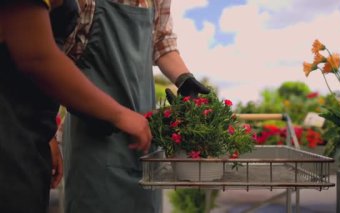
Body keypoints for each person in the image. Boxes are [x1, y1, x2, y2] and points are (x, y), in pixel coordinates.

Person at [0, 1, 152, 212]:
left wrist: (48, 131)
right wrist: (118, 114)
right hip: (9, 131)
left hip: (29, 132)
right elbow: (36, 55)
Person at [60, 0, 210, 212]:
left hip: (145, 141)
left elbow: (161, 41)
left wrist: (184, 79)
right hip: (94, 140)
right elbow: (54, 57)